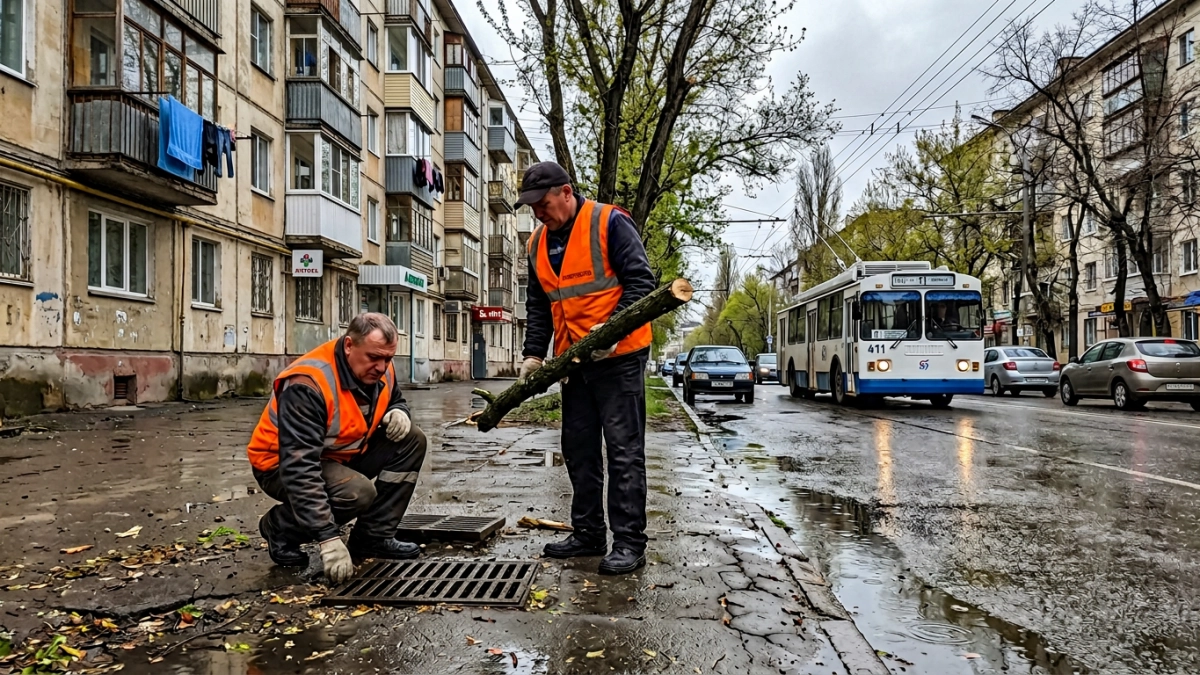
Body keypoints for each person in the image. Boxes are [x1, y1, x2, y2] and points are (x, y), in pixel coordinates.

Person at [517, 161, 658, 575]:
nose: (538, 213)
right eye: (532, 208)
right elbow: (540, 305)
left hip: (620, 357)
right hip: (574, 361)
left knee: (623, 451)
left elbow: (641, 282)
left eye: (542, 204)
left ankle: (630, 542)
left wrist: (613, 329)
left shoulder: (608, 222)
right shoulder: (536, 244)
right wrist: (533, 355)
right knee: (578, 450)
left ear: (566, 192)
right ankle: (588, 533)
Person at [246, 313, 426, 584]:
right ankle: (280, 528)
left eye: (388, 358)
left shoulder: (379, 367)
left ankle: (372, 538)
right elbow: (300, 467)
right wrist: (328, 538)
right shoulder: (307, 383)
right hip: (279, 466)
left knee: (411, 440)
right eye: (374, 358)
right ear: (349, 346)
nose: (382, 367)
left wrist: (399, 411)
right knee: (357, 493)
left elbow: (394, 398)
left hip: (340, 455)